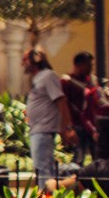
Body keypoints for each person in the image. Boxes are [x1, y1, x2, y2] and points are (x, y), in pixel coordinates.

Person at [22, 48, 72, 184]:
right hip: (38, 130)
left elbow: (61, 101)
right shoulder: (38, 78)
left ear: (35, 60)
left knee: (43, 171)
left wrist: (66, 128)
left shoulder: (48, 76)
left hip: (44, 130)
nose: (23, 64)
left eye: (25, 59)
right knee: (41, 169)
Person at [63, 52, 104, 162]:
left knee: (98, 159)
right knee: (78, 159)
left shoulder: (91, 81)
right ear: (79, 65)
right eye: (89, 65)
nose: (91, 68)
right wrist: (68, 128)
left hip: (92, 126)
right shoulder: (66, 82)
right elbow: (63, 105)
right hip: (77, 126)